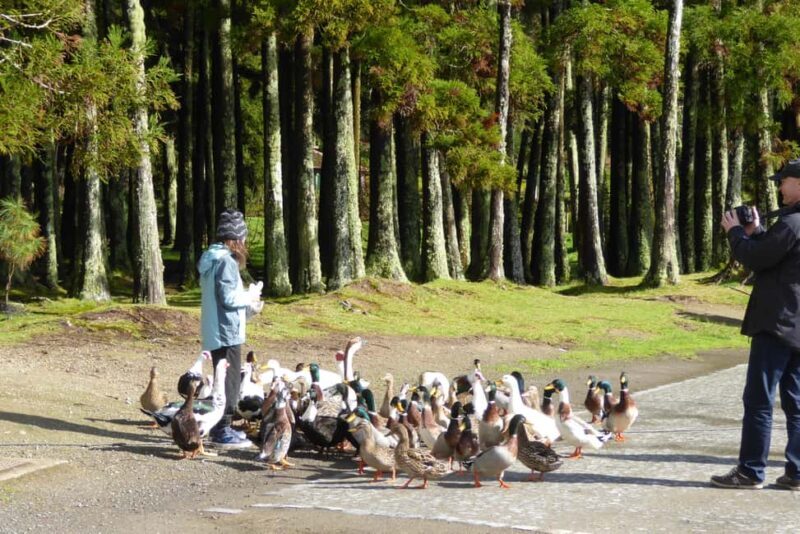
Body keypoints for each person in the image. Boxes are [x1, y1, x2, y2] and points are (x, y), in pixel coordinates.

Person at [711, 159, 800, 491]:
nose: (779, 187)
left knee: (759, 401)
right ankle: (796, 473)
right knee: (796, 401)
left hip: (776, 323)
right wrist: (757, 232)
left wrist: (735, 232)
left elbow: (757, 259)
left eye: (784, 181)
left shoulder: (792, 223)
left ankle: (750, 471)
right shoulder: (790, 225)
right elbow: (776, 258)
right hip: (796, 326)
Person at [198, 209, 264, 449]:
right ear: (235, 238)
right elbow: (227, 298)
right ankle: (222, 428)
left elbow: (220, 300)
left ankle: (219, 426)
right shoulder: (226, 261)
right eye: (243, 237)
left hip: (217, 328)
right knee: (230, 380)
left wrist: (249, 309)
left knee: (221, 377)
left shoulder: (211, 259)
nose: (245, 243)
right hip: (227, 333)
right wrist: (249, 297)